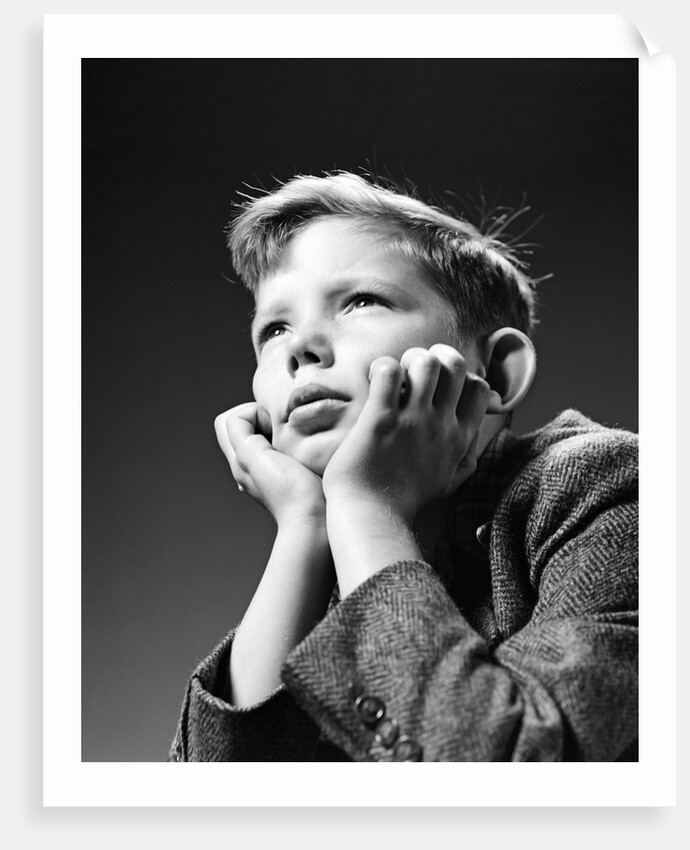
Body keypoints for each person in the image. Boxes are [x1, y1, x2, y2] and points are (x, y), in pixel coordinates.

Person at [167, 172, 638, 762]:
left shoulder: (610, 485)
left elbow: (512, 784)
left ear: (494, 373)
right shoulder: (345, 556)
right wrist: (305, 529)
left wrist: (368, 505)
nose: (300, 346)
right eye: (274, 328)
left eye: (362, 301)